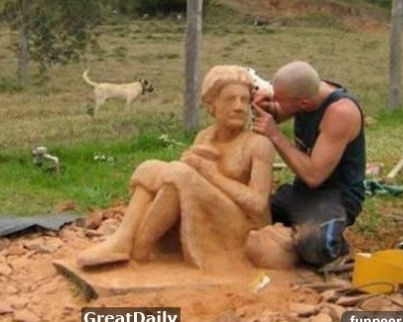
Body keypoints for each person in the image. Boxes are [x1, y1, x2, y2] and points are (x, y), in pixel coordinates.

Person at [77, 65, 276, 272]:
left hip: (243, 228)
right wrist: (189, 165)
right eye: (230, 99)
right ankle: (124, 239)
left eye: (244, 100)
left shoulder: (257, 144)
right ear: (212, 105)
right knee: (150, 168)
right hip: (205, 214)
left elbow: (258, 204)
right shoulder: (205, 136)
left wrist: (210, 174)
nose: (239, 107)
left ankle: (140, 249)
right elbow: (189, 183)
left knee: (180, 174)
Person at [251, 60, 366, 267]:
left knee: (315, 246)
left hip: (334, 195)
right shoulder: (306, 91)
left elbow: (314, 176)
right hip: (301, 192)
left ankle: (334, 245)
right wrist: (262, 105)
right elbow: (276, 112)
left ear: (302, 104)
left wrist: (275, 135)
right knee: (246, 213)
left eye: (279, 99)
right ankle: (295, 227)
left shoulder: (341, 113)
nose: (275, 101)